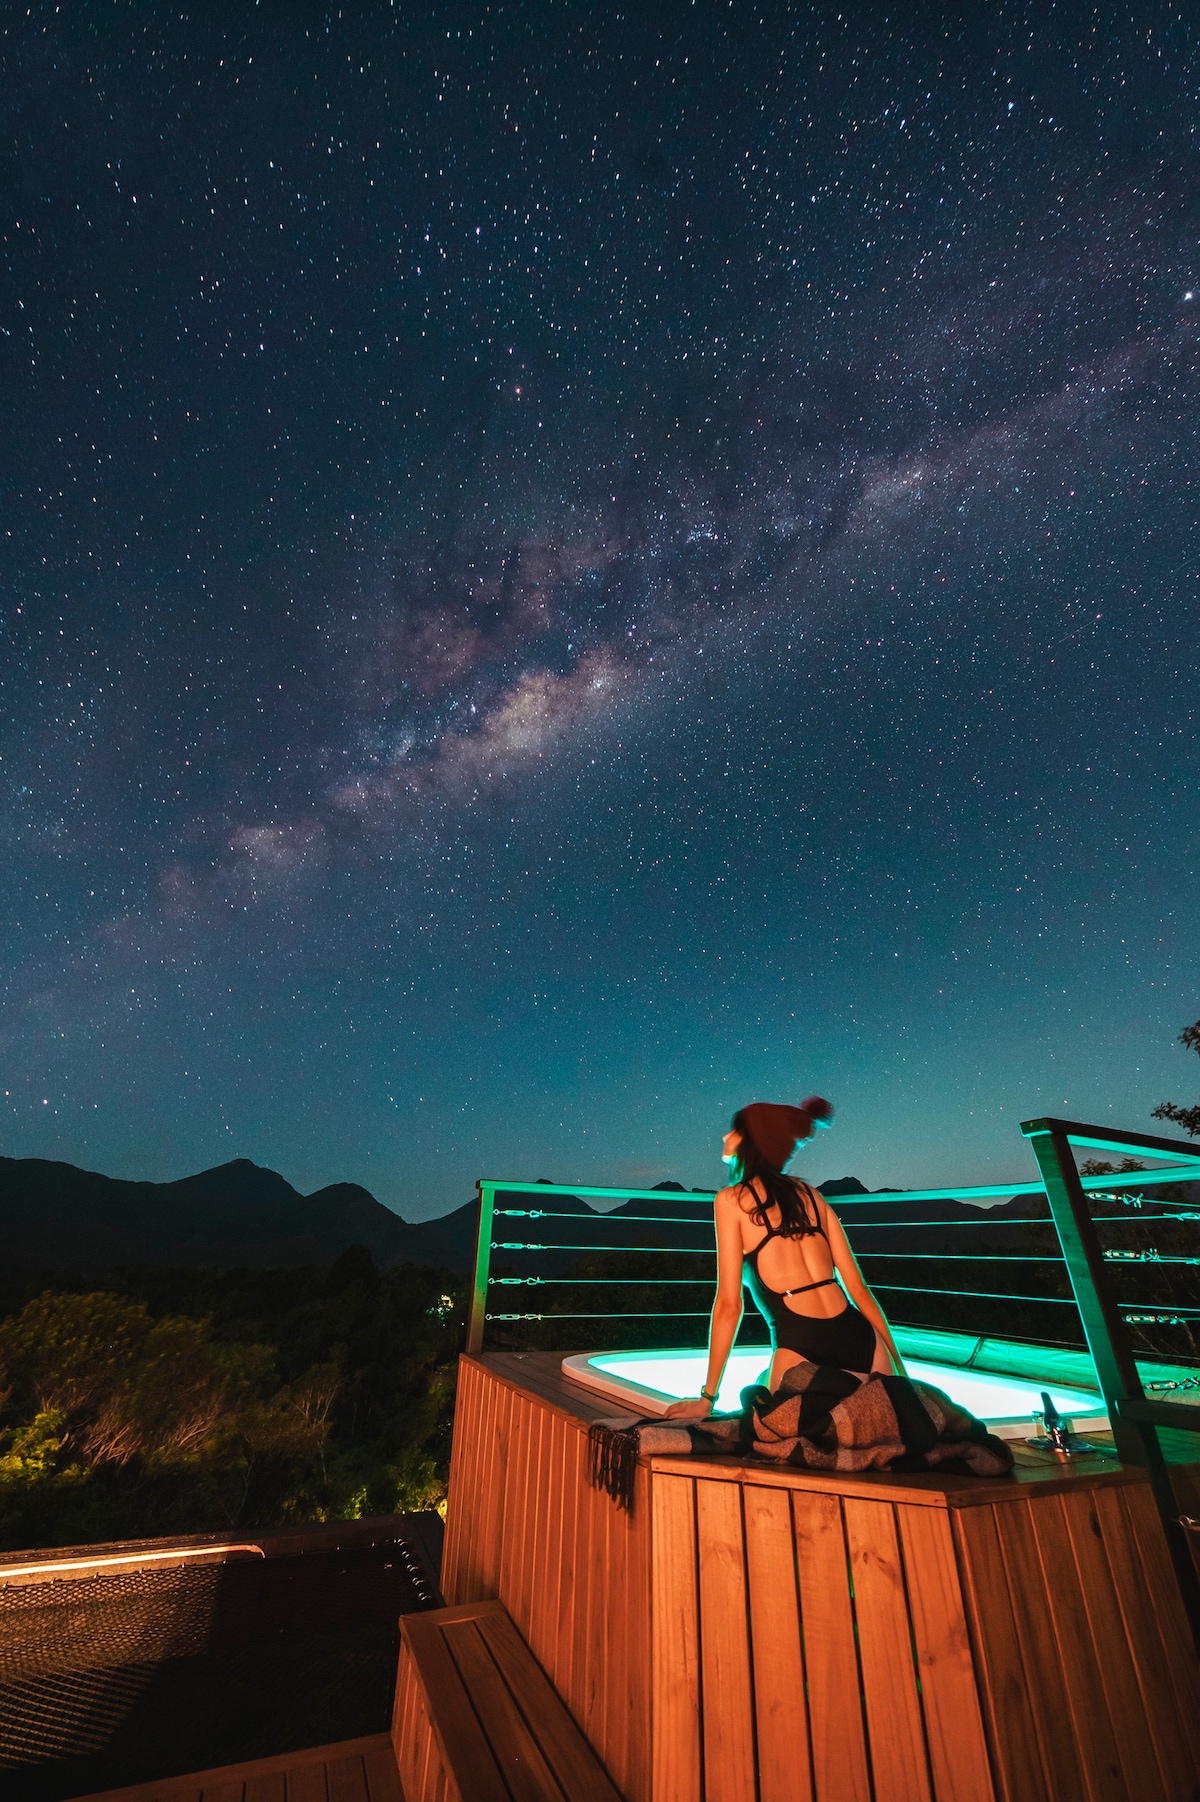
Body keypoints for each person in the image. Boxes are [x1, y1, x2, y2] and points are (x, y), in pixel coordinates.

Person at [664, 1098, 904, 1418]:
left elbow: (729, 1305)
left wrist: (707, 1398)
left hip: (801, 1343)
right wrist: (901, 1374)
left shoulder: (731, 1200)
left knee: (767, 1416)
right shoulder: (812, 1196)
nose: (725, 1138)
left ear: (751, 1140)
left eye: (733, 1130)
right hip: (861, 1339)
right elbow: (859, 1292)